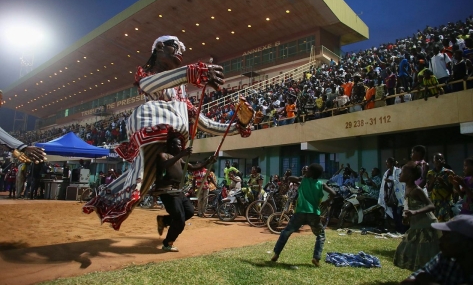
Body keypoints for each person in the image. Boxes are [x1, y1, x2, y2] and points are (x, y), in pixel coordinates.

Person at [83, 35, 252, 230]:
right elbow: (148, 85)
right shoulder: (147, 74)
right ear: (160, 47)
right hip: (152, 127)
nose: (180, 51)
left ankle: (113, 200)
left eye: (181, 48)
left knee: (140, 185)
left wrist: (238, 126)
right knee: (140, 176)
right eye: (175, 46)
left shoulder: (181, 90)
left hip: (172, 137)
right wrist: (191, 72)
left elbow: (202, 122)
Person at [156, 137, 216, 252]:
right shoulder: (163, 155)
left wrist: (208, 161)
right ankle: (168, 243)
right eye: (178, 145)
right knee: (179, 219)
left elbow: (193, 167)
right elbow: (164, 165)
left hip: (178, 191)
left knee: (189, 211)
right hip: (167, 191)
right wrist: (181, 154)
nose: (181, 147)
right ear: (172, 145)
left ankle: (164, 221)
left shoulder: (179, 160)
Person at [271, 163, 336, 267]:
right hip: (313, 214)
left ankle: (276, 254)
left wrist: (302, 176)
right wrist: (328, 201)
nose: (306, 171)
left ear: (311, 173)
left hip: (300, 213)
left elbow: (291, 178)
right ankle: (316, 258)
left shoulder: (303, 180)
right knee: (321, 235)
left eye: (308, 170)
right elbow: (333, 193)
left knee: (286, 232)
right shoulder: (321, 184)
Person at [401, 215, 473, 285]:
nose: (441, 240)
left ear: (467, 245)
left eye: (448, 237)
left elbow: (423, 279)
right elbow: (411, 280)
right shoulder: (445, 258)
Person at [393, 162, 441, 271]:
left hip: (426, 224)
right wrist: (406, 217)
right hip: (416, 225)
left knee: (426, 253)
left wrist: (415, 212)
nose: (399, 175)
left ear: (409, 176)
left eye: (402, 173)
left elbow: (431, 206)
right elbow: (408, 205)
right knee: (407, 249)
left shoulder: (417, 190)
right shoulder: (406, 188)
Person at [378, 157, 405, 233]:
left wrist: (391, 181)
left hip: (398, 196)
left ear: (392, 163)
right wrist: (385, 195)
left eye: (387, 163)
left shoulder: (398, 171)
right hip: (391, 196)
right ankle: (396, 229)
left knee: (399, 214)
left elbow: (401, 182)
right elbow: (384, 185)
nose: (386, 164)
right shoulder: (387, 173)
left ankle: (402, 230)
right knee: (394, 213)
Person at [426, 153, 455, 222]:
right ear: (433, 161)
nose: (439, 160)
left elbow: (452, 190)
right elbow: (429, 189)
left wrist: (443, 183)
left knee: (444, 223)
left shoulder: (449, 173)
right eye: (436, 159)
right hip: (434, 202)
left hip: (445, 202)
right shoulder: (430, 173)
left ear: (444, 161)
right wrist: (432, 182)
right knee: (435, 223)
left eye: (441, 159)